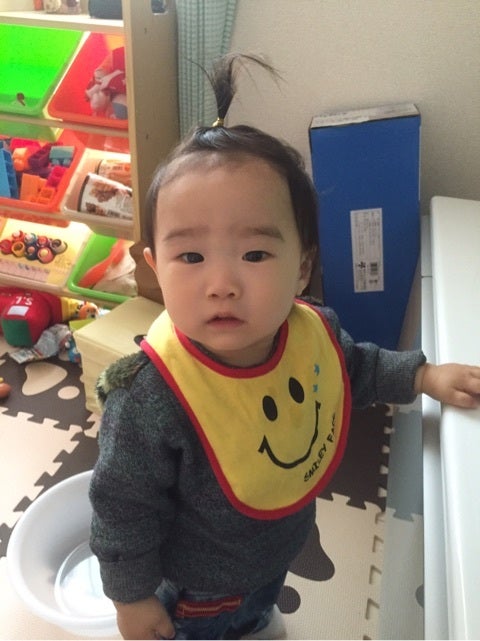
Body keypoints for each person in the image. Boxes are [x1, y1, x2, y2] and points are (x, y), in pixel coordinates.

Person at [89, 54, 480, 641]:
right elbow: (122, 510)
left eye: (255, 254)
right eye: (190, 256)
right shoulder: (148, 400)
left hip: (278, 547)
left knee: (256, 614)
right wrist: (131, 598)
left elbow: (356, 367)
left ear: (301, 268)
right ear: (154, 267)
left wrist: (423, 377)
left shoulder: (309, 331)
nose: (222, 283)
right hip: (197, 586)